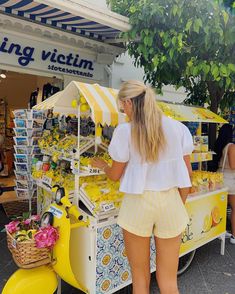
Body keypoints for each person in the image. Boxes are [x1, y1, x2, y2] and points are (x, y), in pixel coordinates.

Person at [91, 80, 194, 294]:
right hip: (170, 201)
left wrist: (103, 166)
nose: (124, 113)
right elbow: (188, 176)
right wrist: (178, 205)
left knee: (140, 278)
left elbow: (115, 175)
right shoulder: (178, 129)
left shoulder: (125, 131)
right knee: (168, 281)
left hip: (138, 203)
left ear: (129, 102)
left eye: (123, 108)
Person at [212, 124, 235, 244]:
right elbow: (233, 166)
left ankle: (220, 231)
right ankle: (234, 237)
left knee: (220, 207)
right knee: (234, 208)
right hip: (230, 181)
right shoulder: (231, 147)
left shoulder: (219, 145)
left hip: (219, 179)